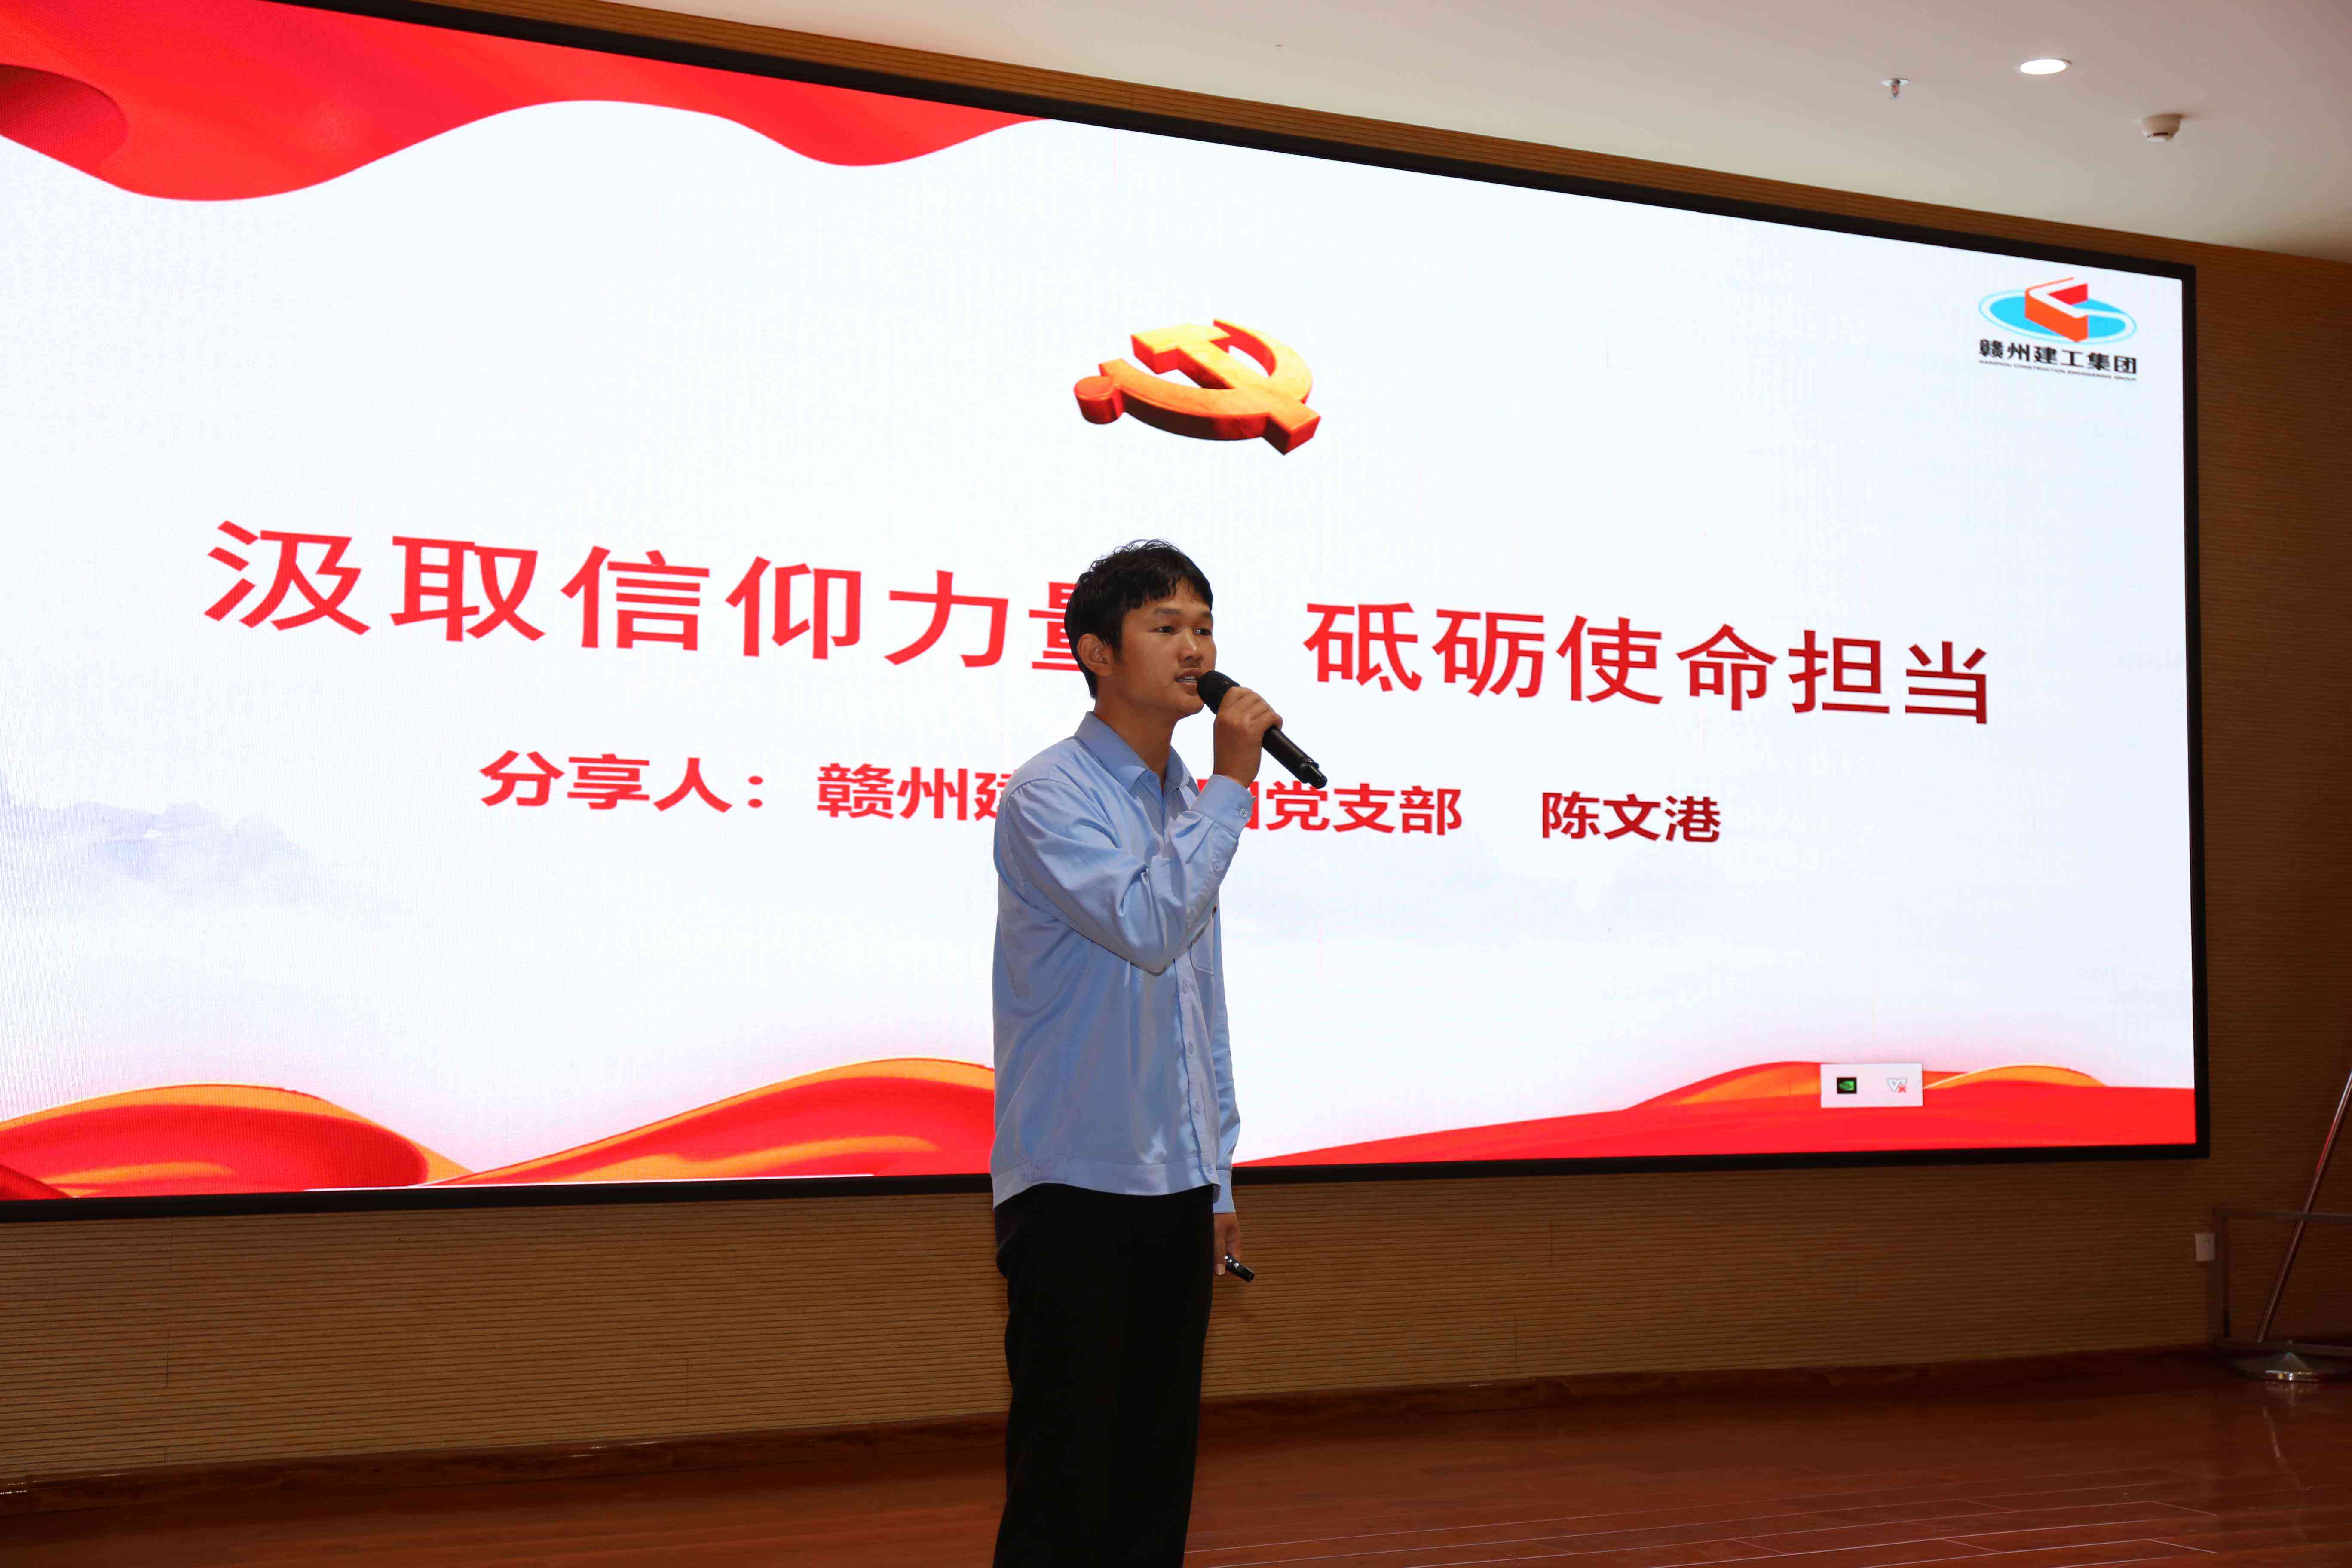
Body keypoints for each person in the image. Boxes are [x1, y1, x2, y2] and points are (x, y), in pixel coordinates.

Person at [989, 539, 1280, 1568]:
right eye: (1166, 627)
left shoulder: (1182, 806)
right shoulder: (1051, 794)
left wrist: (1217, 1177)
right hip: (1076, 1181)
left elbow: (1201, 1012)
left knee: (1155, 1481)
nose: (1196, 649)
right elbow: (1149, 926)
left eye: (1204, 626)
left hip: (1174, 1184)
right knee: (1069, 1483)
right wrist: (1234, 789)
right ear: (1097, 652)